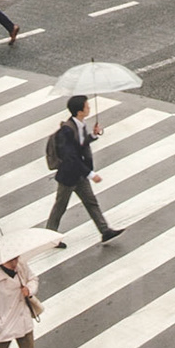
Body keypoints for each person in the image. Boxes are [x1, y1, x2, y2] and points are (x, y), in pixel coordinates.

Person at [48, 96, 125, 243]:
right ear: (79, 111)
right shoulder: (67, 130)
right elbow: (71, 157)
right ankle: (49, 237)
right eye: (86, 106)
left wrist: (93, 135)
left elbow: (80, 146)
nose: (89, 108)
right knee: (60, 206)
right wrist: (90, 174)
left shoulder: (80, 125)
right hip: (69, 176)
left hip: (79, 175)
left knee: (91, 202)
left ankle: (105, 231)